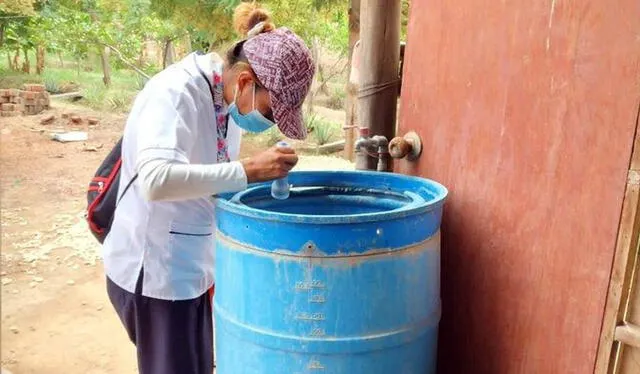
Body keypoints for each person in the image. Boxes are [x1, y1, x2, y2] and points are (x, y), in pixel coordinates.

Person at [102, 3, 315, 374]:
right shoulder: (175, 93)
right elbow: (155, 179)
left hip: (192, 268)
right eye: (268, 113)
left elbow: (211, 173)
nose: (266, 122)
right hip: (156, 275)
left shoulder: (224, 98)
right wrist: (246, 170)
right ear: (246, 81)